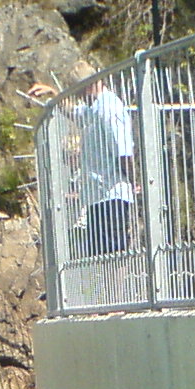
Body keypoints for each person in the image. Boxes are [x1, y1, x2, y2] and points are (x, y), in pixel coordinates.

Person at [74, 67, 134, 259]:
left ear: (90, 85)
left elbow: (124, 152)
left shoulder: (110, 108)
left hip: (112, 195)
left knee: (113, 257)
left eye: (80, 91)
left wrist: (133, 180)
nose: (80, 97)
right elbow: (75, 113)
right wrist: (52, 94)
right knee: (99, 258)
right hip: (97, 197)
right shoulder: (94, 108)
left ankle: (120, 290)